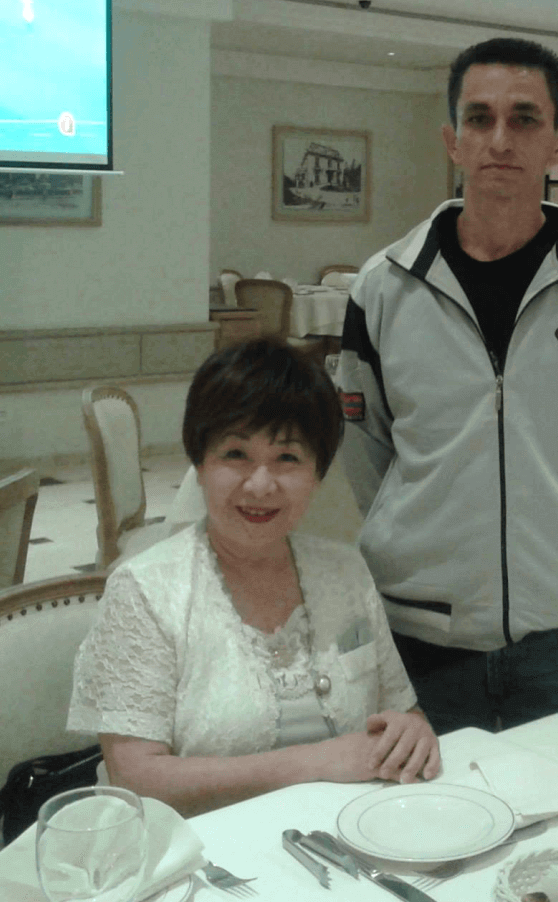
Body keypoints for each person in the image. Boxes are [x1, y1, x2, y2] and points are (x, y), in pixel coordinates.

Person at [337, 36, 558, 734]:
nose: (499, 140)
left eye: (524, 119)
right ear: (452, 140)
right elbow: (367, 451)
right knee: (429, 805)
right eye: (479, 118)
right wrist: (418, 527)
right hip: (421, 634)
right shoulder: (384, 287)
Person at [67, 338, 440, 816]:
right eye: (236, 454)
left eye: (288, 458)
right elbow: (137, 779)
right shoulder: (145, 591)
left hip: (346, 834)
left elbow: (402, 710)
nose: (261, 485)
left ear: (318, 473)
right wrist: (316, 762)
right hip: (202, 850)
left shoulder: (346, 571)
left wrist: (412, 732)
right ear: (200, 464)